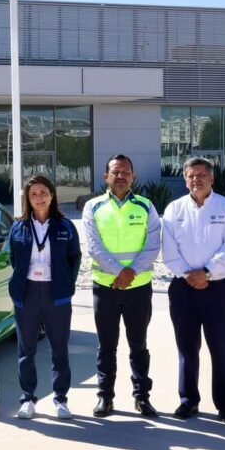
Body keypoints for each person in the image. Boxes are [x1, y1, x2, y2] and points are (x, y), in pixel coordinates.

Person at [161, 158, 225, 423]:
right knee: (186, 348)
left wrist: (206, 273)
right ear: (185, 180)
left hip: (219, 288)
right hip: (183, 288)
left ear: (212, 179)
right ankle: (188, 400)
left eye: (201, 175)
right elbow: (169, 251)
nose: (196, 179)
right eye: (191, 176)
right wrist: (189, 275)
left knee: (222, 349)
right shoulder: (174, 209)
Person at [82, 154, 161, 418]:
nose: (121, 176)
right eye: (115, 172)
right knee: (106, 346)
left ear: (133, 176)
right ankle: (105, 397)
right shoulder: (93, 207)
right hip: (105, 288)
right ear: (106, 176)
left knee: (139, 345)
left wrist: (131, 273)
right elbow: (94, 247)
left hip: (139, 288)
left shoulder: (146, 206)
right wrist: (120, 272)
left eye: (126, 172)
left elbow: (152, 246)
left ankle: (142, 397)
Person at [7, 175, 82, 420]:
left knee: (59, 349)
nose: (39, 198)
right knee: (26, 350)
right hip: (27, 293)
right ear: (28, 199)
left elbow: (74, 257)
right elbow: (14, 259)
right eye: (34, 194)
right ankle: (28, 398)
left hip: (56, 294)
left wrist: (66, 283)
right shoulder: (18, 227)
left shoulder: (65, 226)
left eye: (43, 193)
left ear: (52, 195)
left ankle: (60, 399)